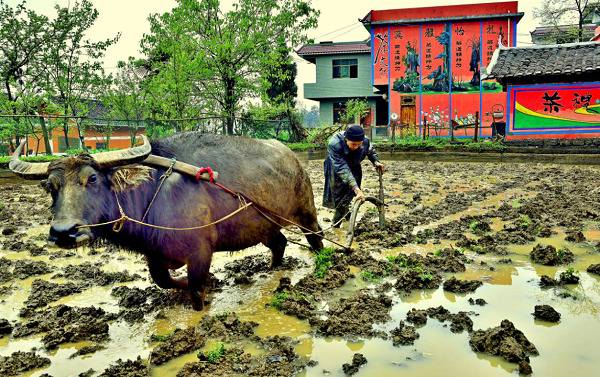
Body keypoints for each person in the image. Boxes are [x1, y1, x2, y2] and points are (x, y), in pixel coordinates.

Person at [323, 124, 384, 227]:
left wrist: (375, 161)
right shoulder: (335, 144)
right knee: (340, 194)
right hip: (336, 167)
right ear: (346, 139)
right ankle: (336, 224)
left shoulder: (365, 141)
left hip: (354, 164)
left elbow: (370, 150)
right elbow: (342, 168)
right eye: (353, 144)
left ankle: (346, 214)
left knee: (350, 193)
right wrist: (356, 189)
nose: (356, 147)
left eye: (359, 144)